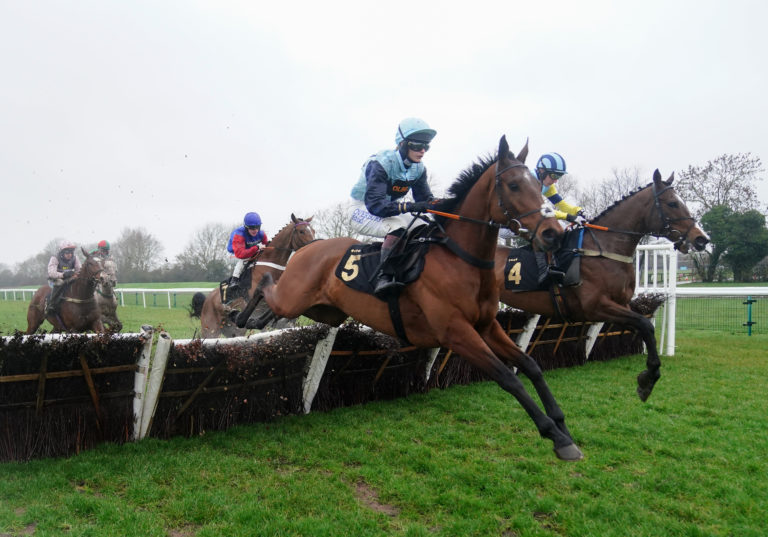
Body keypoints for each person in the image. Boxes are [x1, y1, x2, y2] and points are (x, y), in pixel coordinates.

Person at [348, 117, 439, 296]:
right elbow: (376, 205)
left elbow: (425, 200)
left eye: (426, 147)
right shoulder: (381, 163)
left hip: (387, 207)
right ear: (403, 144)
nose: (422, 151)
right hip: (363, 208)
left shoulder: (418, 169)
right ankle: (384, 277)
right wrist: (411, 206)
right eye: (417, 146)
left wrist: (443, 205)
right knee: (398, 226)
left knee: (422, 226)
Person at [226, 212, 269, 292]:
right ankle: (234, 280)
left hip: (248, 252)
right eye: (252, 228)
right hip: (233, 254)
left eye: (257, 227)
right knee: (246, 259)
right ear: (246, 227)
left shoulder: (262, 234)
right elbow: (241, 255)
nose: (255, 230)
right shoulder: (239, 235)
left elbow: (266, 245)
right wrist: (256, 247)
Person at [46, 240, 81, 314]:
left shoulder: (75, 258)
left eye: (71, 252)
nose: (70, 254)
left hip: (68, 278)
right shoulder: (55, 258)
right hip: (55, 279)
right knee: (60, 283)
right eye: (67, 252)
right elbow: (51, 273)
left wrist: (76, 275)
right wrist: (63, 275)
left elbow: (79, 270)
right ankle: (51, 304)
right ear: (62, 252)